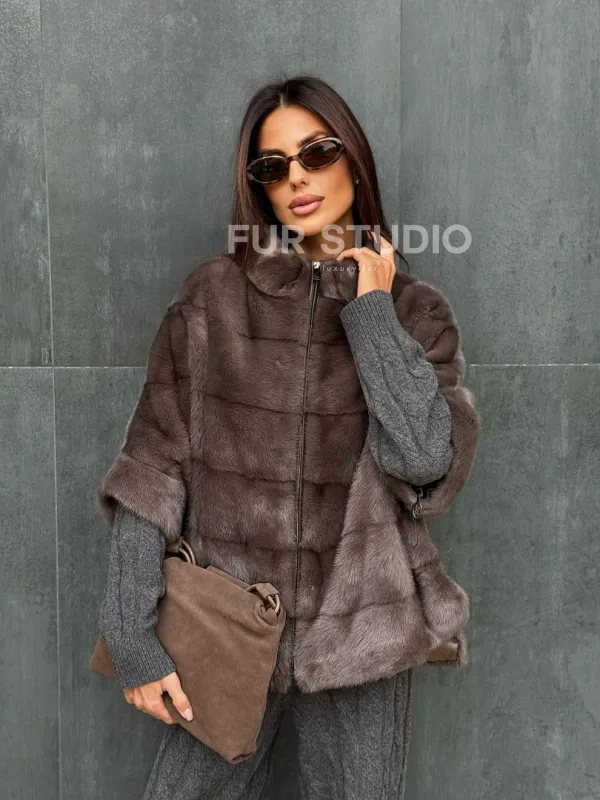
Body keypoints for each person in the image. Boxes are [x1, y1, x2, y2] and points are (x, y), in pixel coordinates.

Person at [95, 75, 482, 799]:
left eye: (317, 153)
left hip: (361, 636)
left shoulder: (415, 315)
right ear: (260, 190)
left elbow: (425, 464)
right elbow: (151, 471)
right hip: (226, 627)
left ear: (353, 161)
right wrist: (132, 636)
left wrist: (370, 312)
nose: (298, 178)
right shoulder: (212, 300)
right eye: (274, 167)